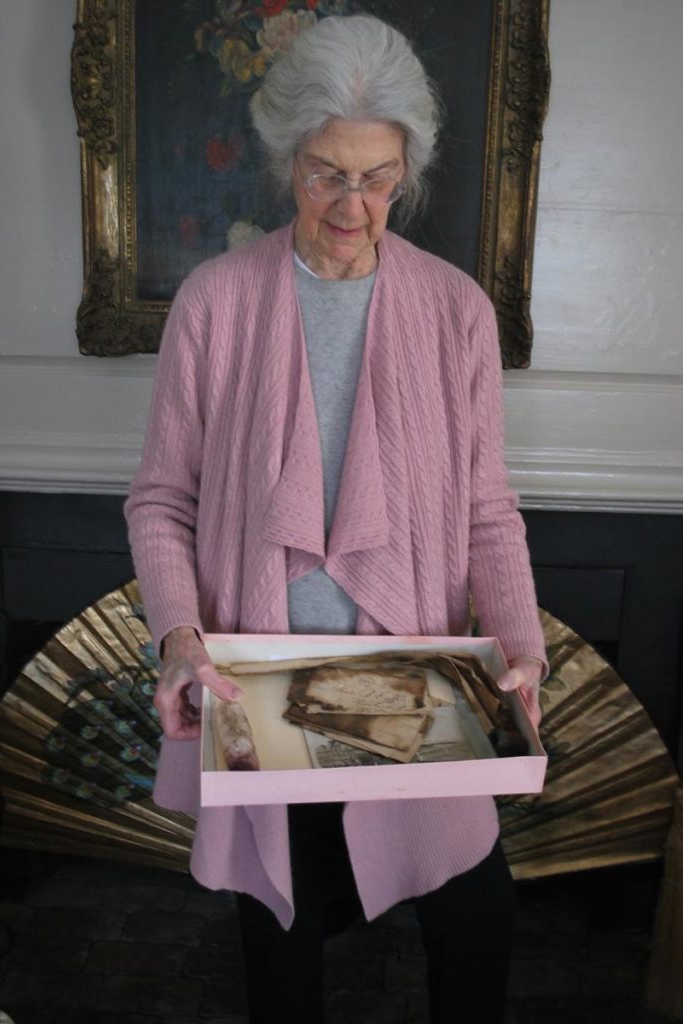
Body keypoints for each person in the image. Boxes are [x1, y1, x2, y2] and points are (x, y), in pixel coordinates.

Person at [125, 14, 547, 1024]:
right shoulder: (216, 301)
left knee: (475, 925)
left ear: (406, 167)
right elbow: (160, 501)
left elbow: (489, 509)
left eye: (377, 175)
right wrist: (179, 640)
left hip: (413, 684)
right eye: (325, 173)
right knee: (281, 954)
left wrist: (520, 651)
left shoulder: (456, 313)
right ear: (286, 161)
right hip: (257, 692)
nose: (352, 205)